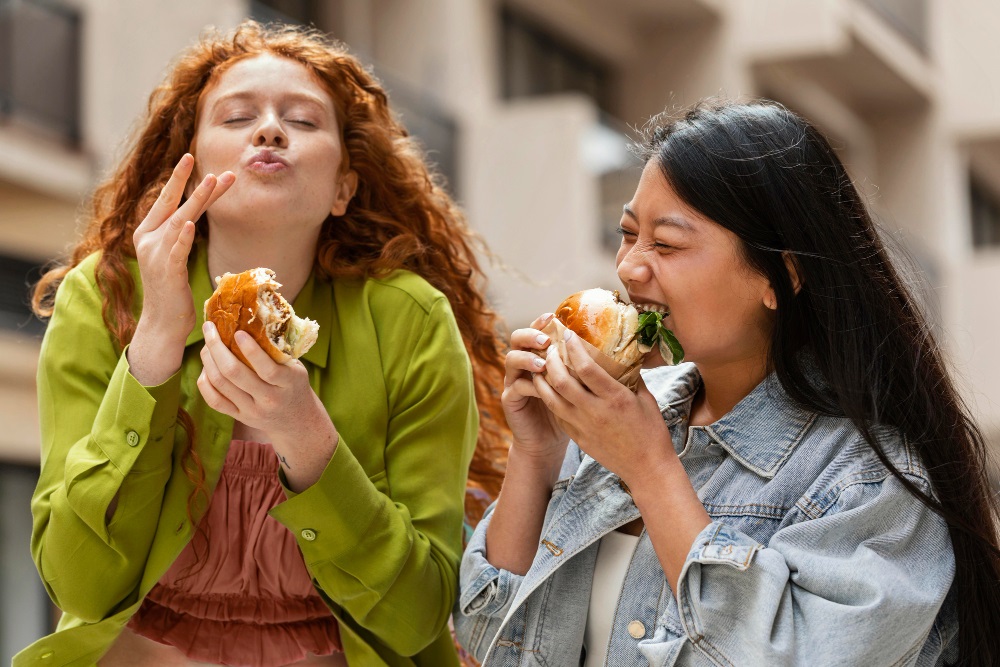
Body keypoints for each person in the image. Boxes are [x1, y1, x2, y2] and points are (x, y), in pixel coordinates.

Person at [19, 20, 508, 667]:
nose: (270, 129)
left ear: (343, 188)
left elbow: (416, 613)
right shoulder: (104, 297)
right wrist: (156, 348)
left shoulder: (412, 320)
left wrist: (306, 434)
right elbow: (77, 580)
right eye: (237, 115)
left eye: (303, 121)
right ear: (188, 170)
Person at [454, 99, 1000, 666]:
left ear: (781, 277)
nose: (629, 267)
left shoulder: (865, 482)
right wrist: (537, 452)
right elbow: (489, 640)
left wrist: (650, 468)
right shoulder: (623, 417)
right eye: (627, 233)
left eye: (666, 244)